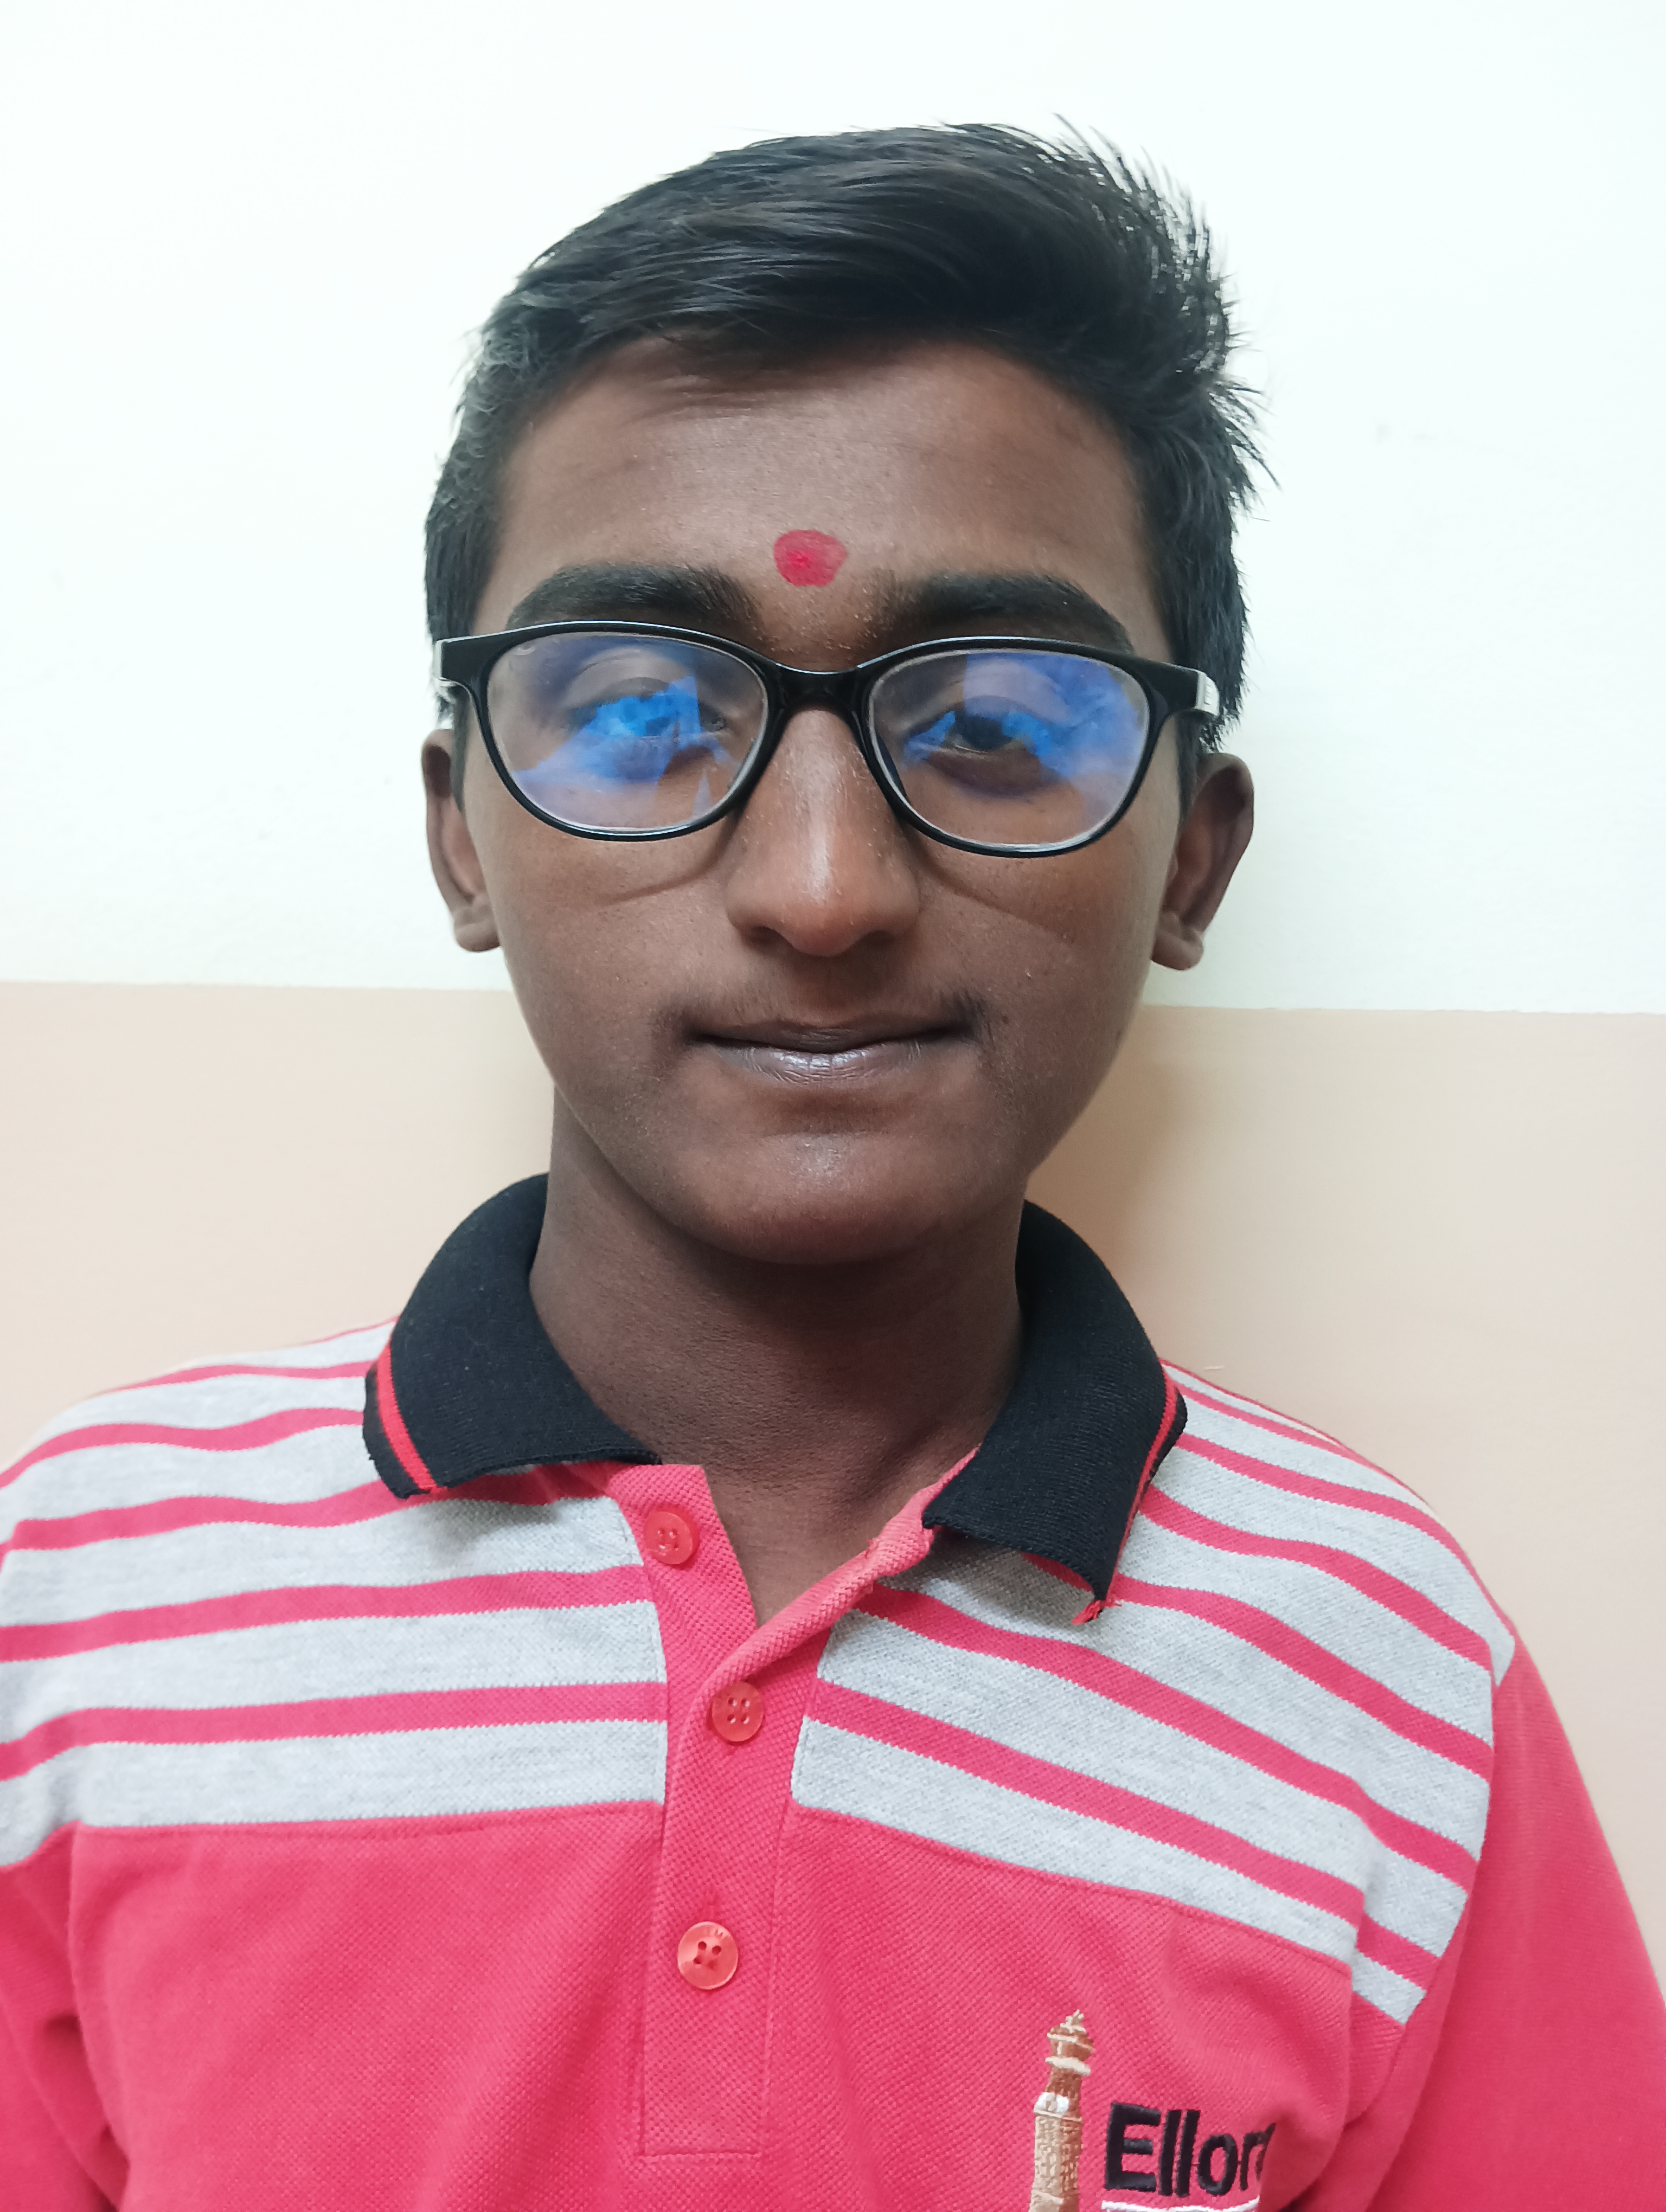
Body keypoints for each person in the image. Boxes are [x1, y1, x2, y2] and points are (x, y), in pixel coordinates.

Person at [1, 126, 1659, 2211]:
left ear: (1195, 855)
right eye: (637, 717)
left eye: (997, 725)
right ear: (459, 836)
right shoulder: (84, 1596)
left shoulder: (1388, 1677)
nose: (821, 888)